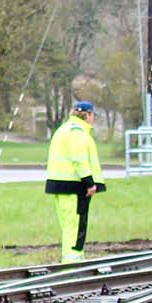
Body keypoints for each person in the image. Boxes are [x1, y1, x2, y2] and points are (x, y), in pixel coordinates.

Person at [45, 99, 105, 263]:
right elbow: (79, 159)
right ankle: (72, 263)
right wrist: (90, 182)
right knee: (75, 226)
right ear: (87, 115)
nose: (93, 119)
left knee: (67, 225)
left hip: (60, 185)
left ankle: (70, 260)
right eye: (93, 115)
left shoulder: (63, 129)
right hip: (75, 187)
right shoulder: (77, 133)